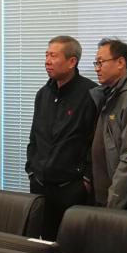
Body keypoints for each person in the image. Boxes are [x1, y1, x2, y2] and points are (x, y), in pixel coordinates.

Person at [26, 35, 98, 239]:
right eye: (46, 55)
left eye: (53, 56)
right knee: (44, 243)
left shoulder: (91, 94)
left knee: (72, 246)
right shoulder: (43, 94)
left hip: (71, 189)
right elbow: (35, 136)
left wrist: (86, 179)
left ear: (72, 61)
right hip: (40, 185)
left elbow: (95, 143)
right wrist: (31, 169)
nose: (47, 61)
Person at [89, 38, 127, 211]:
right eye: (96, 63)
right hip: (103, 194)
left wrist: (114, 200)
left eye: (101, 62)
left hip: (122, 201)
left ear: (120, 63)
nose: (97, 68)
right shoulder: (108, 95)